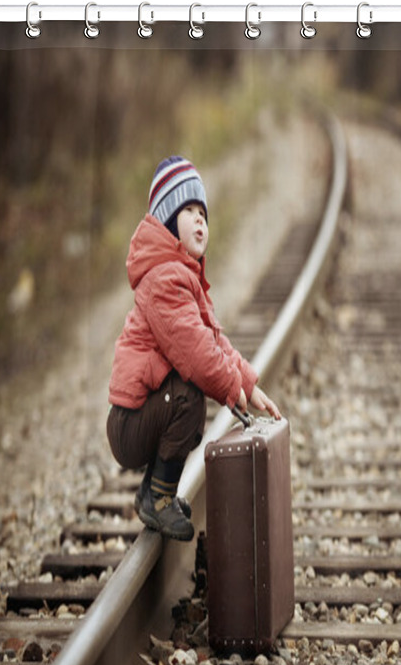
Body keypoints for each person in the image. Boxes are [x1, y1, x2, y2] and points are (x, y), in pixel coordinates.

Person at [106, 156, 281, 541]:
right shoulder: (166, 280)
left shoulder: (182, 275)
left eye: (203, 212)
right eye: (188, 210)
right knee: (188, 394)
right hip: (130, 424)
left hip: (139, 415)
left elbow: (215, 340)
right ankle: (159, 498)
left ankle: (156, 492)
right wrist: (227, 389)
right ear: (169, 223)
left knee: (187, 391)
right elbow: (198, 353)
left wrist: (248, 386)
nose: (200, 219)